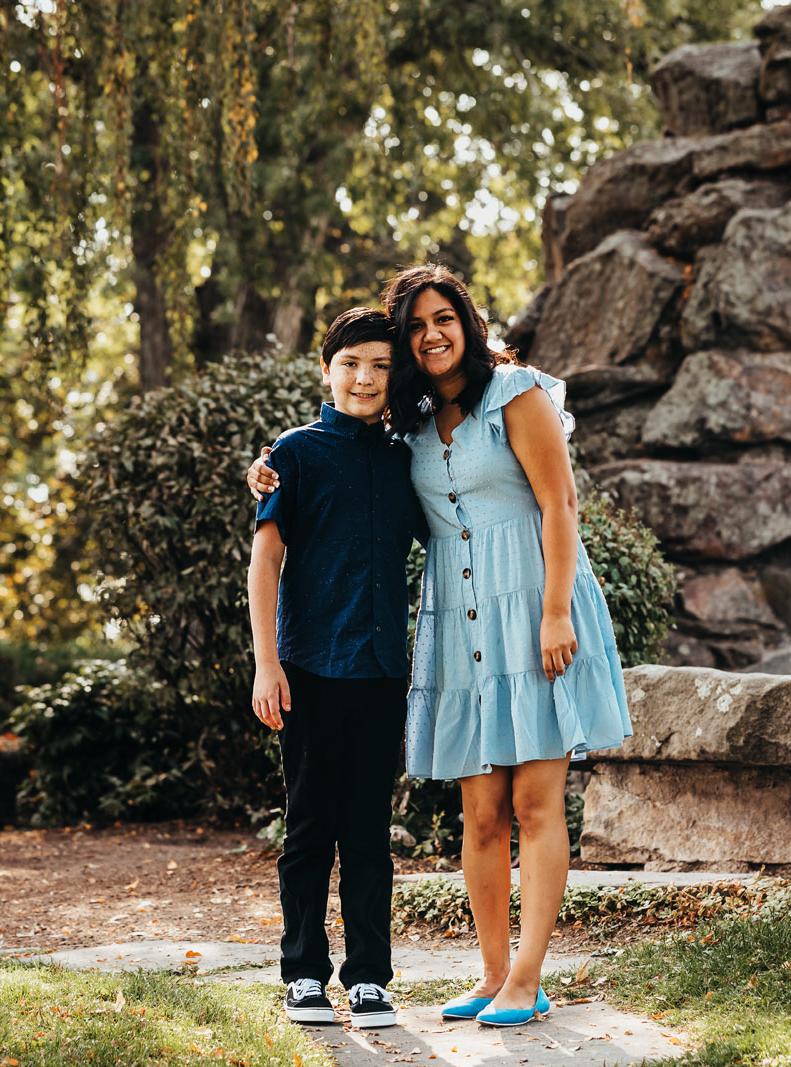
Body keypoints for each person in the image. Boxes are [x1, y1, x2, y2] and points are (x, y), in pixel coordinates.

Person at [250, 266, 632, 1028]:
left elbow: (560, 502)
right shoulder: (411, 429)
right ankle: (492, 973)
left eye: (444, 317)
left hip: (533, 610)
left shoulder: (516, 393)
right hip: (459, 624)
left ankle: (527, 977)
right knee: (481, 811)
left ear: (468, 321)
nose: (432, 333)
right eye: (416, 324)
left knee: (534, 799)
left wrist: (557, 610)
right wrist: (264, 469)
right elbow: (325, 487)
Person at [247, 306, 424, 1029]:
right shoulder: (293, 453)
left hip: (382, 671)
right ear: (327, 369)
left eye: (382, 366)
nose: (365, 377)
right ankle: (304, 973)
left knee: (368, 832)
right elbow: (266, 562)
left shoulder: (405, 455)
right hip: (309, 670)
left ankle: (372, 976)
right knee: (310, 828)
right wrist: (266, 664)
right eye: (352, 363)